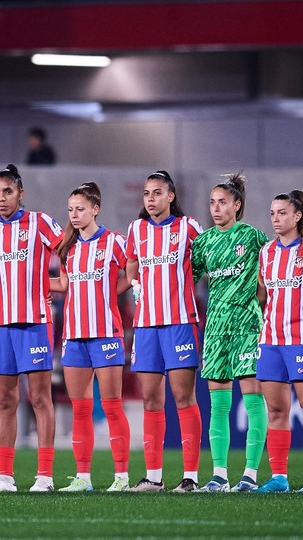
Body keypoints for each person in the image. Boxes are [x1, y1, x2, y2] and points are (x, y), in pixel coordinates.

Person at [0, 164, 63, 493]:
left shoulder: (40, 222)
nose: (1, 198)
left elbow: (68, 249)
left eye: (8, 191)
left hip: (34, 323)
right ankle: (4, 476)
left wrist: (56, 284)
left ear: (20, 193)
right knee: (4, 400)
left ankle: (44, 476)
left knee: (40, 398)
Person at [50, 182, 133, 492]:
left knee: (112, 405)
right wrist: (37, 287)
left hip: (106, 335)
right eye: (70, 209)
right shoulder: (67, 247)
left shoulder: (114, 242)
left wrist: (111, 293)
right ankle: (82, 478)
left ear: (95, 209)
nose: (74, 214)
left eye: (80, 209)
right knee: (80, 408)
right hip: (74, 336)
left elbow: (132, 272)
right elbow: (64, 284)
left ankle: (122, 477)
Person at [189, 172, 268, 492]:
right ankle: (219, 474)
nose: (216, 208)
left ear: (238, 205)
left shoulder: (252, 237)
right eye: (212, 203)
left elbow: (277, 268)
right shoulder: (204, 242)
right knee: (218, 405)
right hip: (216, 328)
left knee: (252, 399)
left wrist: (264, 303)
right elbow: (185, 283)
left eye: (223, 202)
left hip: (247, 325)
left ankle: (249, 474)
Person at [125, 170, 203, 493]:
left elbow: (206, 261)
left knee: (183, 397)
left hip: (180, 322)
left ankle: (191, 478)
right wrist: (134, 283)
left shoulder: (189, 227)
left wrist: (188, 284)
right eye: (146, 194)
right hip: (145, 326)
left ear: (171, 196)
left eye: (157, 193)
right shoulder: (136, 229)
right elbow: (131, 262)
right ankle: (153, 477)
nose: (151, 199)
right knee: (150, 398)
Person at [254, 190, 303, 494]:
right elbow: (263, 294)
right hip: (271, 340)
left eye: (282, 213)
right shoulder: (266, 253)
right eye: (273, 213)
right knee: (275, 410)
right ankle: (279, 478)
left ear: (298, 216)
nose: (275, 219)